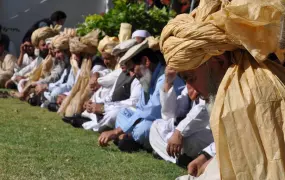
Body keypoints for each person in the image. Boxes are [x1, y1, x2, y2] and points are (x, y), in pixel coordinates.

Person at [98, 39, 185, 152]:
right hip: (148, 120)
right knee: (123, 113)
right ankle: (127, 138)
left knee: (144, 128)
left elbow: (151, 111)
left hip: (168, 126)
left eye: (133, 68)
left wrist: (116, 131)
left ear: (145, 61)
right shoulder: (147, 79)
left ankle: (128, 138)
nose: (133, 75)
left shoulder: (165, 78)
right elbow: (140, 108)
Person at [69, 39, 142, 131]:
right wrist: (95, 103)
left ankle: (91, 124)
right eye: (119, 58)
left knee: (114, 113)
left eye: (124, 58)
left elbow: (134, 102)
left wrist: (104, 107)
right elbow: (108, 87)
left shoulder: (139, 75)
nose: (120, 62)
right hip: (112, 105)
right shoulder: (122, 72)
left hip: (123, 109)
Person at [149, 66, 213, 167]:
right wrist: (168, 82)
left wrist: (179, 133)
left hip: (206, 134)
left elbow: (203, 109)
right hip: (185, 132)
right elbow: (169, 115)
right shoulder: (187, 88)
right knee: (155, 126)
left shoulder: (209, 83)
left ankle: (168, 153)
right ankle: (177, 155)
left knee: (190, 140)